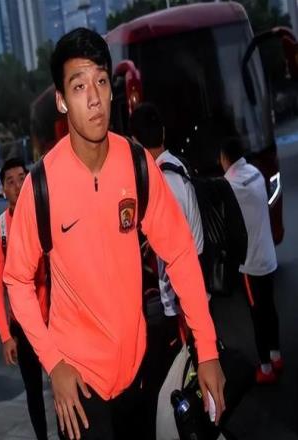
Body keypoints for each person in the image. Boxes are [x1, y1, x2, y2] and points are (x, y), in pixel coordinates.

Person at [3, 28, 225, 440]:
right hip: (80, 385)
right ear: (61, 100)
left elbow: (179, 252)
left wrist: (207, 349)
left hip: (137, 372)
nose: (93, 98)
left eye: (101, 82)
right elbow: (16, 279)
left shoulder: (137, 164)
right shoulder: (41, 186)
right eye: (79, 86)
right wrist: (54, 364)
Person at [129, 102, 206, 438]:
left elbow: (175, 249)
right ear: (161, 132)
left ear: (135, 143)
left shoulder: (164, 182)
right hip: (187, 295)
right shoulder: (178, 165)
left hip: (181, 303)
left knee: (177, 382)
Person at [0, 158, 50, 440]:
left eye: (22, 178)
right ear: (3, 189)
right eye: (10, 181)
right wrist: (5, 335)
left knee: (67, 384)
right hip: (23, 328)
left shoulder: (45, 214)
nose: (17, 185)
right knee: (34, 392)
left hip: (56, 318)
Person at [220, 138, 282, 384]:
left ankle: (265, 369)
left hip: (250, 265)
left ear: (225, 158)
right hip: (268, 256)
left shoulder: (229, 185)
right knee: (270, 308)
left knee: (257, 315)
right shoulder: (256, 173)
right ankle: (277, 356)